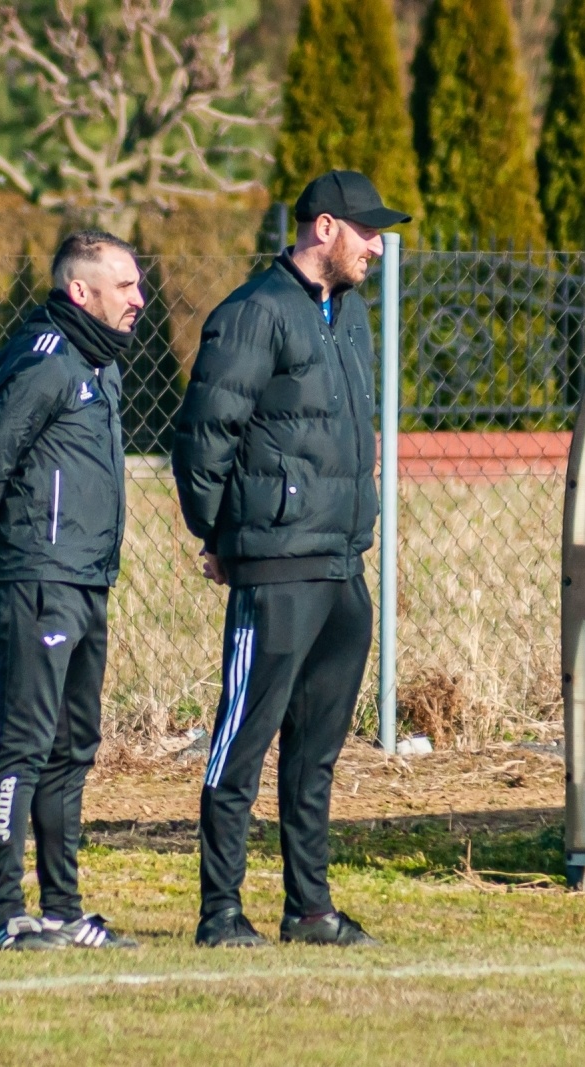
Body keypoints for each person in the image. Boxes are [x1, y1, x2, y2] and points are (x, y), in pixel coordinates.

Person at [172, 171, 409, 948]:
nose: (379, 245)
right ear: (326, 228)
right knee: (242, 740)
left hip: (343, 564)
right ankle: (220, 913)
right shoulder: (252, 314)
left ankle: (310, 908)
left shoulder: (350, 315)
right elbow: (204, 437)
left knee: (316, 754)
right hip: (275, 565)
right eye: (368, 231)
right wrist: (220, 538)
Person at [0, 231, 145, 950]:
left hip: (88, 579)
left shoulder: (100, 367)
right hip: (38, 576)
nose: (139, 299)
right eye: (125, 285)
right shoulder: (44, 361)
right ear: (80, 292)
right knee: (28, 743)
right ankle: (6, 913)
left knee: (75, 747)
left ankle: (63, 908)